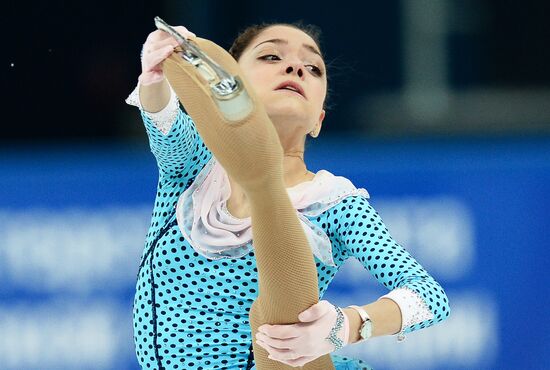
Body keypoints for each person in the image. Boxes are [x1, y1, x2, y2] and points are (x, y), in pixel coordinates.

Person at [126, 21, 450, 370]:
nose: (296, 67)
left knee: (270, 317)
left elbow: (430, 298)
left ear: (318, 121)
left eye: (313, 68)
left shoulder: (335, 202)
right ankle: (261, 178)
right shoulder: (194, 167)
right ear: (229, 83)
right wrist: (156, 71)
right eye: (271, 56)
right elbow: (162, 115)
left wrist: (347, 325)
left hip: (285, 366)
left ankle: (264, 186)